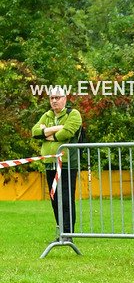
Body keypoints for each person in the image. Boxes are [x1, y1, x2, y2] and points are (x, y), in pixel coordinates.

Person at [31, 87, 82, 234]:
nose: (54, 101)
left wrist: (46, 132)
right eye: (52, 98)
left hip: (66, 163)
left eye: (57, 97)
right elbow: (35, 132)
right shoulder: (46, 115)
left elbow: (66, 133)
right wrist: (56, 128)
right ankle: (61, 231)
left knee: (66, 199)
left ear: (65, 99)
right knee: (54, 199)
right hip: (50, 163)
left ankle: (68, 233)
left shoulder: (73, 114)